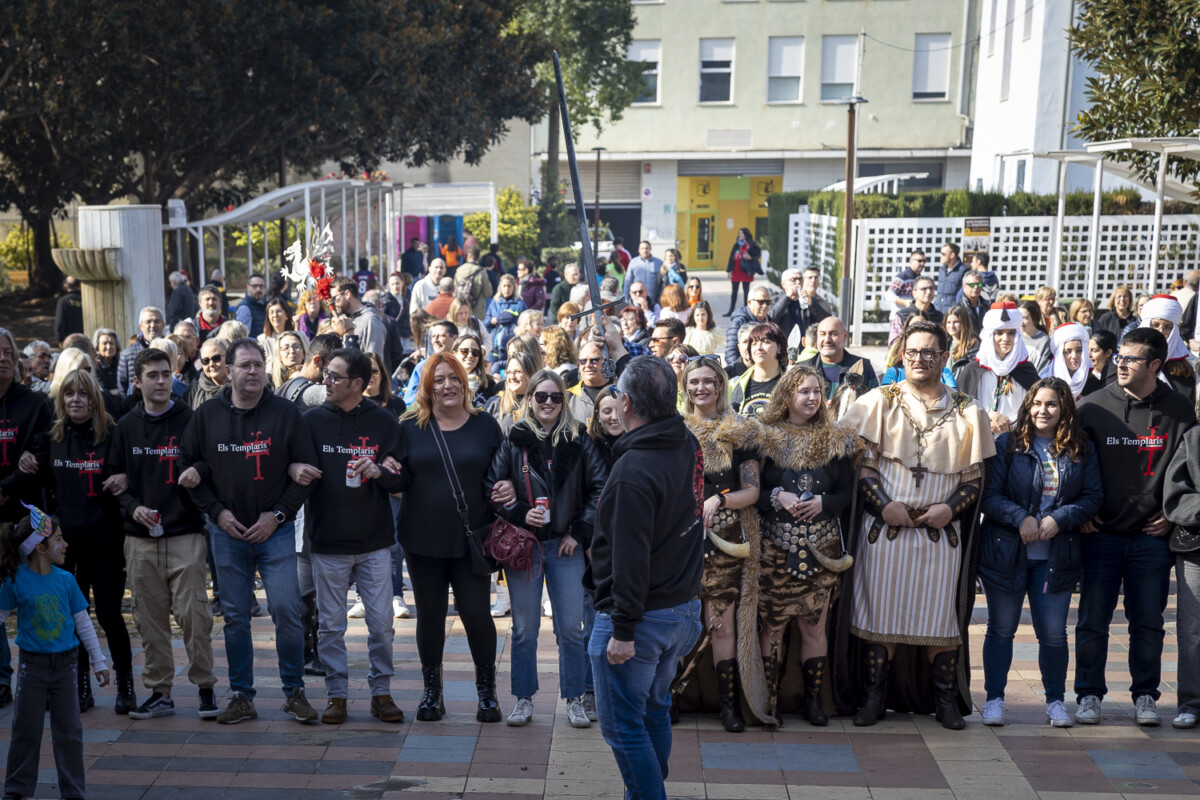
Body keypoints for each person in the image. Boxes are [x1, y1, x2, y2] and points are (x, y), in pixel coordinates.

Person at [840, 320, 995, 729]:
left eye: (929, 352)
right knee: (879, 614)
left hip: (940, 535)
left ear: (944, 357)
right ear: (901, 356)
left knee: (940, 617)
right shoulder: (879, 401)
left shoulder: (967, 410)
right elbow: (864, 469)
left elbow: (974, 479)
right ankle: (874, 698)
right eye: (912, 352)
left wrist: (951, 509)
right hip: (885, 532)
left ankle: (944, 700)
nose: (920, 359)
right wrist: (883, 505)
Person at [180, 337, 320, 725]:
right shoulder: (207, 415)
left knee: (287, 611)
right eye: (245, 366)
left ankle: (294, 691)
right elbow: (188, 467)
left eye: (258, 364)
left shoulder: (285, 414)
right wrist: (217, 514)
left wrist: (276, 515)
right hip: (227, 534)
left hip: (274, 531)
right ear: (229, 371)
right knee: (236, 616)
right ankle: (242, 695)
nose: (253, 371)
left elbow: (307, 471)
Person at [585, 356, 703, 800]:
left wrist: (623, 629)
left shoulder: (633, 472)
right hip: (680, 609)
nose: (611, 400)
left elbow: (629, 560)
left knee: (623, 724)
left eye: (616, 394)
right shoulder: (685, 440)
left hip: (642, 618)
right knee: (654, 708)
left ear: (628, 404)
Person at [1074, 327, 1194, 726]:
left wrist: (1170, 511)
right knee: (1093, 620)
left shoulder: (1179, 409)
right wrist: (1081, 508)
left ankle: (1145, 696)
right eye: (1119, 357)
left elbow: (1187, 469)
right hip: (1100, 535)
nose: (1120, 364)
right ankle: (1089, 695)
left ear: (1155, 365)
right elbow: (1072, 463)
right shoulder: (1093, 407)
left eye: (1131, 359)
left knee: (1149, 623)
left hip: (1150, 538)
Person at [6, 368, 134, 715]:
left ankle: (125, 684)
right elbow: (30, 476)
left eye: (83, 394)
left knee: (108, 614)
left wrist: (125, 476)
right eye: (69, 394)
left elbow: (131, 472)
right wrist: (22, 465)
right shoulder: (52, 436)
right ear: (61, 400)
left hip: (107, 540)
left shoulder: (113, 434)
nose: (76, 400)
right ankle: (80, 686)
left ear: (95, 398)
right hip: (65, 546)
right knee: (72, 615)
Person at [289, 348, 407, 725]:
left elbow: (402, 477)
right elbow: (294, 465)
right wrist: (294, 468)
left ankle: (381, 692)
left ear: (358, 384)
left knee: (382, 625)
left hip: (374, 542)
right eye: (325, 374)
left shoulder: (384, 421)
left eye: (334, 377)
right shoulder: (311, 421)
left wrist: (380, 472)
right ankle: (336, 695)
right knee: (331, 626)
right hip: (327, 543)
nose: (326, 381)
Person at [978, 377, 1103, 727]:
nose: (1042, 410)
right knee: (1001, 629)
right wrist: (1021, 517)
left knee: (1053, 632)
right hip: (1007, 553)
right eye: (1036, 403)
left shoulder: (1081, 448)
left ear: (1064, 408)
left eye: (1050, 404)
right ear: (1027, 406)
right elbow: (989, 496)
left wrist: (1059, 519)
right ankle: (994, 700)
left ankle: (1055, 702)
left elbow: (1093, 497)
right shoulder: (1007, 444)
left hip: (1056, 556)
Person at [487, 369, 608, 728]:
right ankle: (523, 699)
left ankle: (573, 698)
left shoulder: (579, 439)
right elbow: (492, 488)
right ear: (530, 400)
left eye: (556, 397)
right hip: (526, 548)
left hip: (565, 547)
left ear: (565, 401)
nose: (549, 403)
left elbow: (600, 487)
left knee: (571, 627)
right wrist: (521, 512)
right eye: (542, 396)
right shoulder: (515, 439)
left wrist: (580, 531)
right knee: (524, 629)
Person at [109, 348, 218, 720]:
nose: (160, 381)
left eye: (165, 374)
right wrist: (131, 507)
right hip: (139, 539)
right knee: (149, 619)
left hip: (185, 532)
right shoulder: (125, 426)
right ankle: (160, 692)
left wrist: (199, 469)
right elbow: (114, 480)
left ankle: (205, 687)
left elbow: (212, 460)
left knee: (195, 616)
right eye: (152, 375)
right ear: (137, 381)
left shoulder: (191, 418)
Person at [395, 353, 505, 723]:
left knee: (476, 614)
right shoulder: (410, 426)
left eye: (453, 378)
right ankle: (432, 693)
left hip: (471, 540)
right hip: (422, 539)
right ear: (427, 387)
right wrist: (382, 471)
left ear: (464, 383)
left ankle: (487, 694)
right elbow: (399, 481)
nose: (447, 385)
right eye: (438, 380)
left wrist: (506, 489)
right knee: (430, 615)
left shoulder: (485, 425)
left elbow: (499, 476)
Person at [756, 365, 861, 726]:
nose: (812, 397)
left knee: (814, 626)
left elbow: (847, 493)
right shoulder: (764, 438)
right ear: (787, 395)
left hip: (822, 548)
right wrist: (776, 496)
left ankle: (814, 703)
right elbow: (751, 493)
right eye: (803, 391)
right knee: (772, 626)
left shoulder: (836, 440)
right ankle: (768, 701)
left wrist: (823, 504)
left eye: (817, 391)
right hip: (775, 549)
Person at [678, 357, 765, 731]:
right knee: (677, 623)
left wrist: (720, 499)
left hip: (726, 541)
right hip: (678, 542)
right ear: (685, 387)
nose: (701, 388)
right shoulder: (673, 429)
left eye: (709, 381)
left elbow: (753, 491)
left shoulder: (739, 431)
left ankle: (728, 706)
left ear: (721, 385)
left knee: (722, 624)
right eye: (693, 382)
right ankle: (669, 699)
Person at [0, 507, 109, 800]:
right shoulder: (15, 580)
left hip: (66, 666)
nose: (66, 544)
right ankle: (16, 787)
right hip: (31, 666)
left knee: (69, 731)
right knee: (25, 728)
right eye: (59, 539)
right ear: (39, 546)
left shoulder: (66, 580)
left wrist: (98, 661)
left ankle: (73, 791)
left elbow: (83, 623)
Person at [1161, 408, 1200, 729]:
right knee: (1192, 628)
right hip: (1195, 549)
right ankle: (1191, 702)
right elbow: (1175, 496)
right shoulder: (1193, 439)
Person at [957, 302, 1041, 435]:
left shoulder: (1026, 370)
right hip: (980, 439)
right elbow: (960, 409)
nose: (1005, 338)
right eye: (999, 333)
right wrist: (989, 416)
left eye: (1011, 333)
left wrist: (1008, 424)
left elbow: (1035, 407)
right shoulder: (972, 370)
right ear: (990, 336)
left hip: (1016, 440)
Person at [796, 316, 880, 400]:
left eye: (833, 334)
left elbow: (875, 401)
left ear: (845, 336)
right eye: (823, 334)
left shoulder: (862, 367)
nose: (827, 340)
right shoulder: (802, 369)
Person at [1139, 294, 1197, 400]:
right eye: (1155, 325)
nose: (1160, 331)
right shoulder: (1130, 362)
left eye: (1167, 327)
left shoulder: (1185, 369)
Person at [880, 313, 958, 388]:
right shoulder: (893, 374)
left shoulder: (946, 376)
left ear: (944, 358)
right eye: (912, 352)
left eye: (927, 352)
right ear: (903, 356)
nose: (918, 359)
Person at [729, 322, 787, 417]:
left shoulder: (792, 384)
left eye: (766, 342)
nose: (759, 348)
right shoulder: (733, 385)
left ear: (779, 347)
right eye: (754, 343)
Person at [331, 276, 388, 361]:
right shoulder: (344, 319)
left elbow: (374, 361)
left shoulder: (371, 320)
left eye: (334, 298)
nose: (333, 303)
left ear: (347, 294)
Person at [487, 350, 540, 433]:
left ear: (530, 373)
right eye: (508, 372)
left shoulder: (541, 402)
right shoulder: (494, 403)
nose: (512, 376)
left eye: (517, 372)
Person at [771, 267, 832, 341]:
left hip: (804, 346)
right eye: (793, 280)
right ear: (783, 284)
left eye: (800, 279)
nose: (798, 283)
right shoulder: (775, 300)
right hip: (783, 347)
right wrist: (787, 297)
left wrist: (812, 304)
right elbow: (771, 319)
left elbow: (827, 321)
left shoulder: (807, 300)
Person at [117, 305, 165, 394]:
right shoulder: (127, 354)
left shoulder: (173, 349)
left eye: (157, 321)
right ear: (141, 326)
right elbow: (122, 387)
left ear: (163, 325)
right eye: (148, 322)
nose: (153, 325)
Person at [1049, 322, 1102, 400]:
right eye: (1068, 351)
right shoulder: (1048, 384)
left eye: (1079, 350)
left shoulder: (1095, 384)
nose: (1074, 356)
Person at [724, 284, 773, 368]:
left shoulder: (769, 320)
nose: (764, 306)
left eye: (768, 302)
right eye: (760, 302)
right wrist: (738, 372)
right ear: (749, 302)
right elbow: (731, 352)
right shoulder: (739, 321)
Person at [485, 274, 526, 361]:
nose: (507, 289)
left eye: (509, 286)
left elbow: (524, 324)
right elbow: (486, 322)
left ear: (514, 287)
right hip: (495, 344)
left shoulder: (520, 304)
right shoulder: (495, 302)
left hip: (513, 342)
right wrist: (492, 321)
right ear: (500, 287)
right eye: (504, 286)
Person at [892, 276, 942, 343]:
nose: (928, 292)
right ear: (914, 293)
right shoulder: (901, 316)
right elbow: (894, 343)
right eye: (924, 289)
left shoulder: (939, 316)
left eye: (931, 288)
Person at [724, 228, 760, 314]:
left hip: (746, 271)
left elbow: (757, 254)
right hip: (736, 271)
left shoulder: (751, 244)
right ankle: (731, 310)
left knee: (746, 291)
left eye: (742, 233)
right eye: (739, 233)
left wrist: (750, 257)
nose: (740, 235)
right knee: (734, 291)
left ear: (746, 235)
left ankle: (746, 310)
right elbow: (731, 257)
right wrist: (729, 270)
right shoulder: (736, 245)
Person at [258, 298, 295, 379]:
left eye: (279, 311)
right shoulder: (262, 340)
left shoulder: (298, 337)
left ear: (286, 315)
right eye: (271, 312)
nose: (275, 315)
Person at [885, 250, 926, 318]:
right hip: (900, 318)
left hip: (915, 318)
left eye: (924, 261)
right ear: (910, 261)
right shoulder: (902, 277)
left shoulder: (921, 279)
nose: (922, 263)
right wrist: (904, 302)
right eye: (919, 261)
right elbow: (888, 295)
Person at [944, 306, 980, 380]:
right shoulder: (943, 344)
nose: (951, 326)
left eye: (956, 322)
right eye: (949, 322)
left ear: (964, 323)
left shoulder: (974, 347)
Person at [625, 241, 664, 309]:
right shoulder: (633, 262)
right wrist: (626, 299)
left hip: (653, 301)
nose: (645, 250)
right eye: (642, 248)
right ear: (639, 250)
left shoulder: (658, 262)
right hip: (636, 301)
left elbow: (662, 283)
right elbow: (628, 281)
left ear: (650, 249)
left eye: (646, 248)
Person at [1019, 300, 1053, 374]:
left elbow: (1043, 370)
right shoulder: (1015, 336)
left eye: (1025, 318)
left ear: (1034, 319)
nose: (1020, 321)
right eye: (1018, 317)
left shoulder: (1044, 341)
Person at [934, 242, 967, 314]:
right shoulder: (941, 270)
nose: (940, 256)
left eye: (943, 254)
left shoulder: (963, 270)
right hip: (937, 311)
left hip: (952, 312)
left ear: (952, 255)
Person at [954, 270, 986, 335]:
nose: (976, 287)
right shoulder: (958, 309)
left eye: (979, 284)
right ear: (964, 287)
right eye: (972, 284)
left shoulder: (987, 307)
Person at [54, 275, 83, 346]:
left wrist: (60, 340)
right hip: (86, 340)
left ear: (65, 286)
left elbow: (59, 323)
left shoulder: (63, 301)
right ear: (80, 285)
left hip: (69, 342)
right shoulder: (87, 300)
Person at [92, 327, 121, 396]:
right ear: (97, 346)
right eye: (105, 343)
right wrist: (121, 391)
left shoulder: (121, 364)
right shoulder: (94, 366)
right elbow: (101, 392)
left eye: (111, 343)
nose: (108, 347)